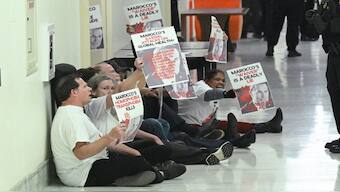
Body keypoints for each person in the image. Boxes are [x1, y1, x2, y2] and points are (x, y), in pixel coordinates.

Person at [86, 74, 234, 165]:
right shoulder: (95, 105)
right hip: (113, 150)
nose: (110, 91)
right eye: (105, 88)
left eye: (112, 88)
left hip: (125, 142)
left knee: (168, 141)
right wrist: (140, 73)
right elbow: (121, 94)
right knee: (166, 146)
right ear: (93, 91)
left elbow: (129, 129)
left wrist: (154, 137)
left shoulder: (114, 108)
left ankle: (209, 151)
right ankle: (206, 154)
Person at [51, 74, 157, 187]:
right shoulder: (71, 117)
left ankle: (137, 177)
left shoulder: (73, 112)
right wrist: (110, 136)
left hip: (91, 164)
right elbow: (80, 153)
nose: (89, 89)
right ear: (74, 92)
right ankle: (131, 178)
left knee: (140, 160)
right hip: (84, 173)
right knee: (139, 163)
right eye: (85, 87)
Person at [177, 69, 283, 138]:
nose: (221, 83)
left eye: (223, 81)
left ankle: (269, 126)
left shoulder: (213, 90)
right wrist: (227, 94)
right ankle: (236, 138)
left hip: (203, 124)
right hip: (190, 126)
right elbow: (210, 94)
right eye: (217, 79)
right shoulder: (200, 87)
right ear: (206, 80)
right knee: (224, 129)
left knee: (230, 124)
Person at [306, 0, 340, 153]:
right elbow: (316, 31)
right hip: (334, 52)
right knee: (334, 90)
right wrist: (314, 20)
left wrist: (325, 24)